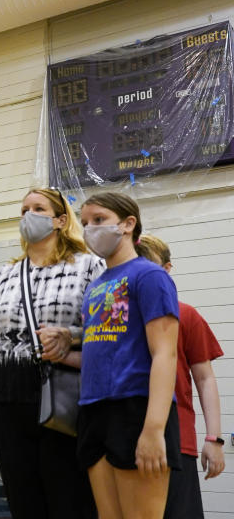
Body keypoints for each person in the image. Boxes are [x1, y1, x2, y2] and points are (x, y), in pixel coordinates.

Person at [0, 187, 103, 519]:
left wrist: (71, 335)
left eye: (38, 208)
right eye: (24, 209)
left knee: (70, 500)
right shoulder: (3, 277)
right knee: (23, 500)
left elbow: (111, 331)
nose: (28, 215)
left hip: (64, 397)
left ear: (60, 220)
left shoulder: (89, 266)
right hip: (9, 400)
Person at [77, 193, 180, 519]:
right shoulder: (94, 288)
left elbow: (165, 353)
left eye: (98, 220)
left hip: (135, 408)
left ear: (128, 223)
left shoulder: (149, 276)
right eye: (84, 223)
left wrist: (153, 429)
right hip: (93, 410)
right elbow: (101, 350)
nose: (89, 229)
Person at [134, 234, 224, 519]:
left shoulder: (185, 315)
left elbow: (205, 378)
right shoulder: (115, 318)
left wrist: (214, 438)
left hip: (176, 442)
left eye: (150, 268)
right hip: (125, 439)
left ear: (167, 269)